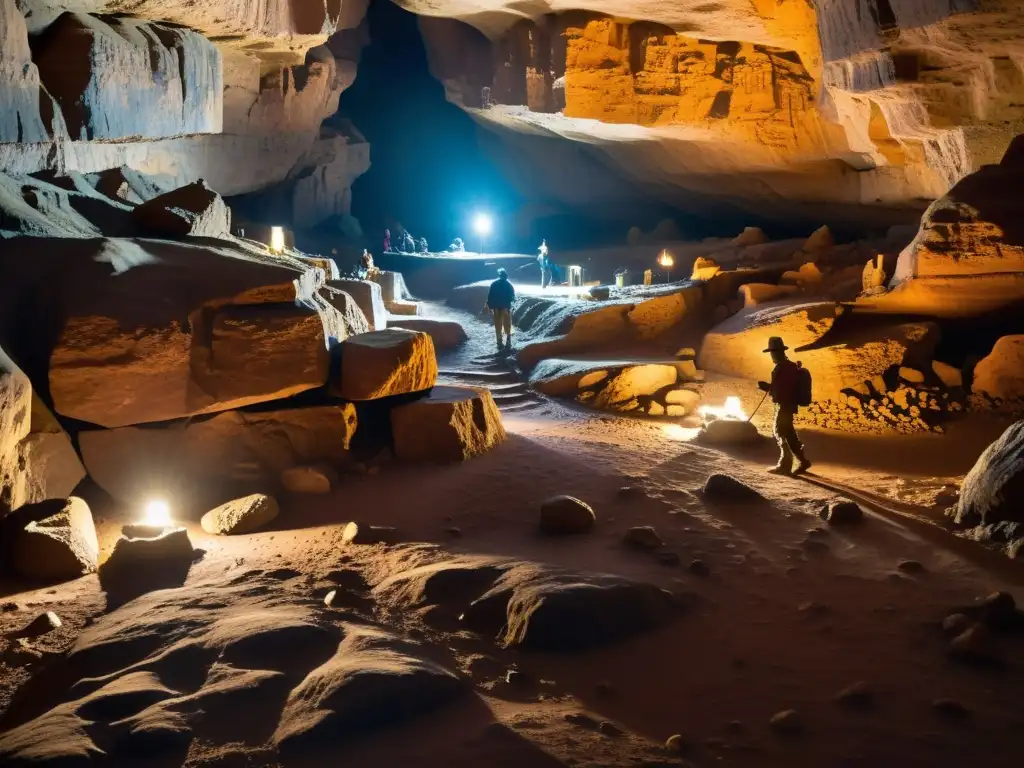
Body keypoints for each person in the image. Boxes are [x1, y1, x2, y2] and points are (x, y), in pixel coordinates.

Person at [758, 337, 811, 476]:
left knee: (781, 433)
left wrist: (768, 388)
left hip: (784, 406)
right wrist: (769, 388)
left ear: (778, 352)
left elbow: (783, 390)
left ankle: (785, 465)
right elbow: (781, 388)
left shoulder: (783, 367)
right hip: (786, 405)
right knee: (789, 434)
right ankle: (802, 461)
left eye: (773, 352)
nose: (772, 355)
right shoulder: (788, 366)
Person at [485, 268, 515, 352]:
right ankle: (508, 340)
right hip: (505, 307)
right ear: (505, 276)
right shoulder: (508, 284)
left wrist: (490, 306)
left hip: (496, 307)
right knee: (507, 324)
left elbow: (490, 296)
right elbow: (512, 296)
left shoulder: (494, 284)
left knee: (498, 324)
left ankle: (499, 341)